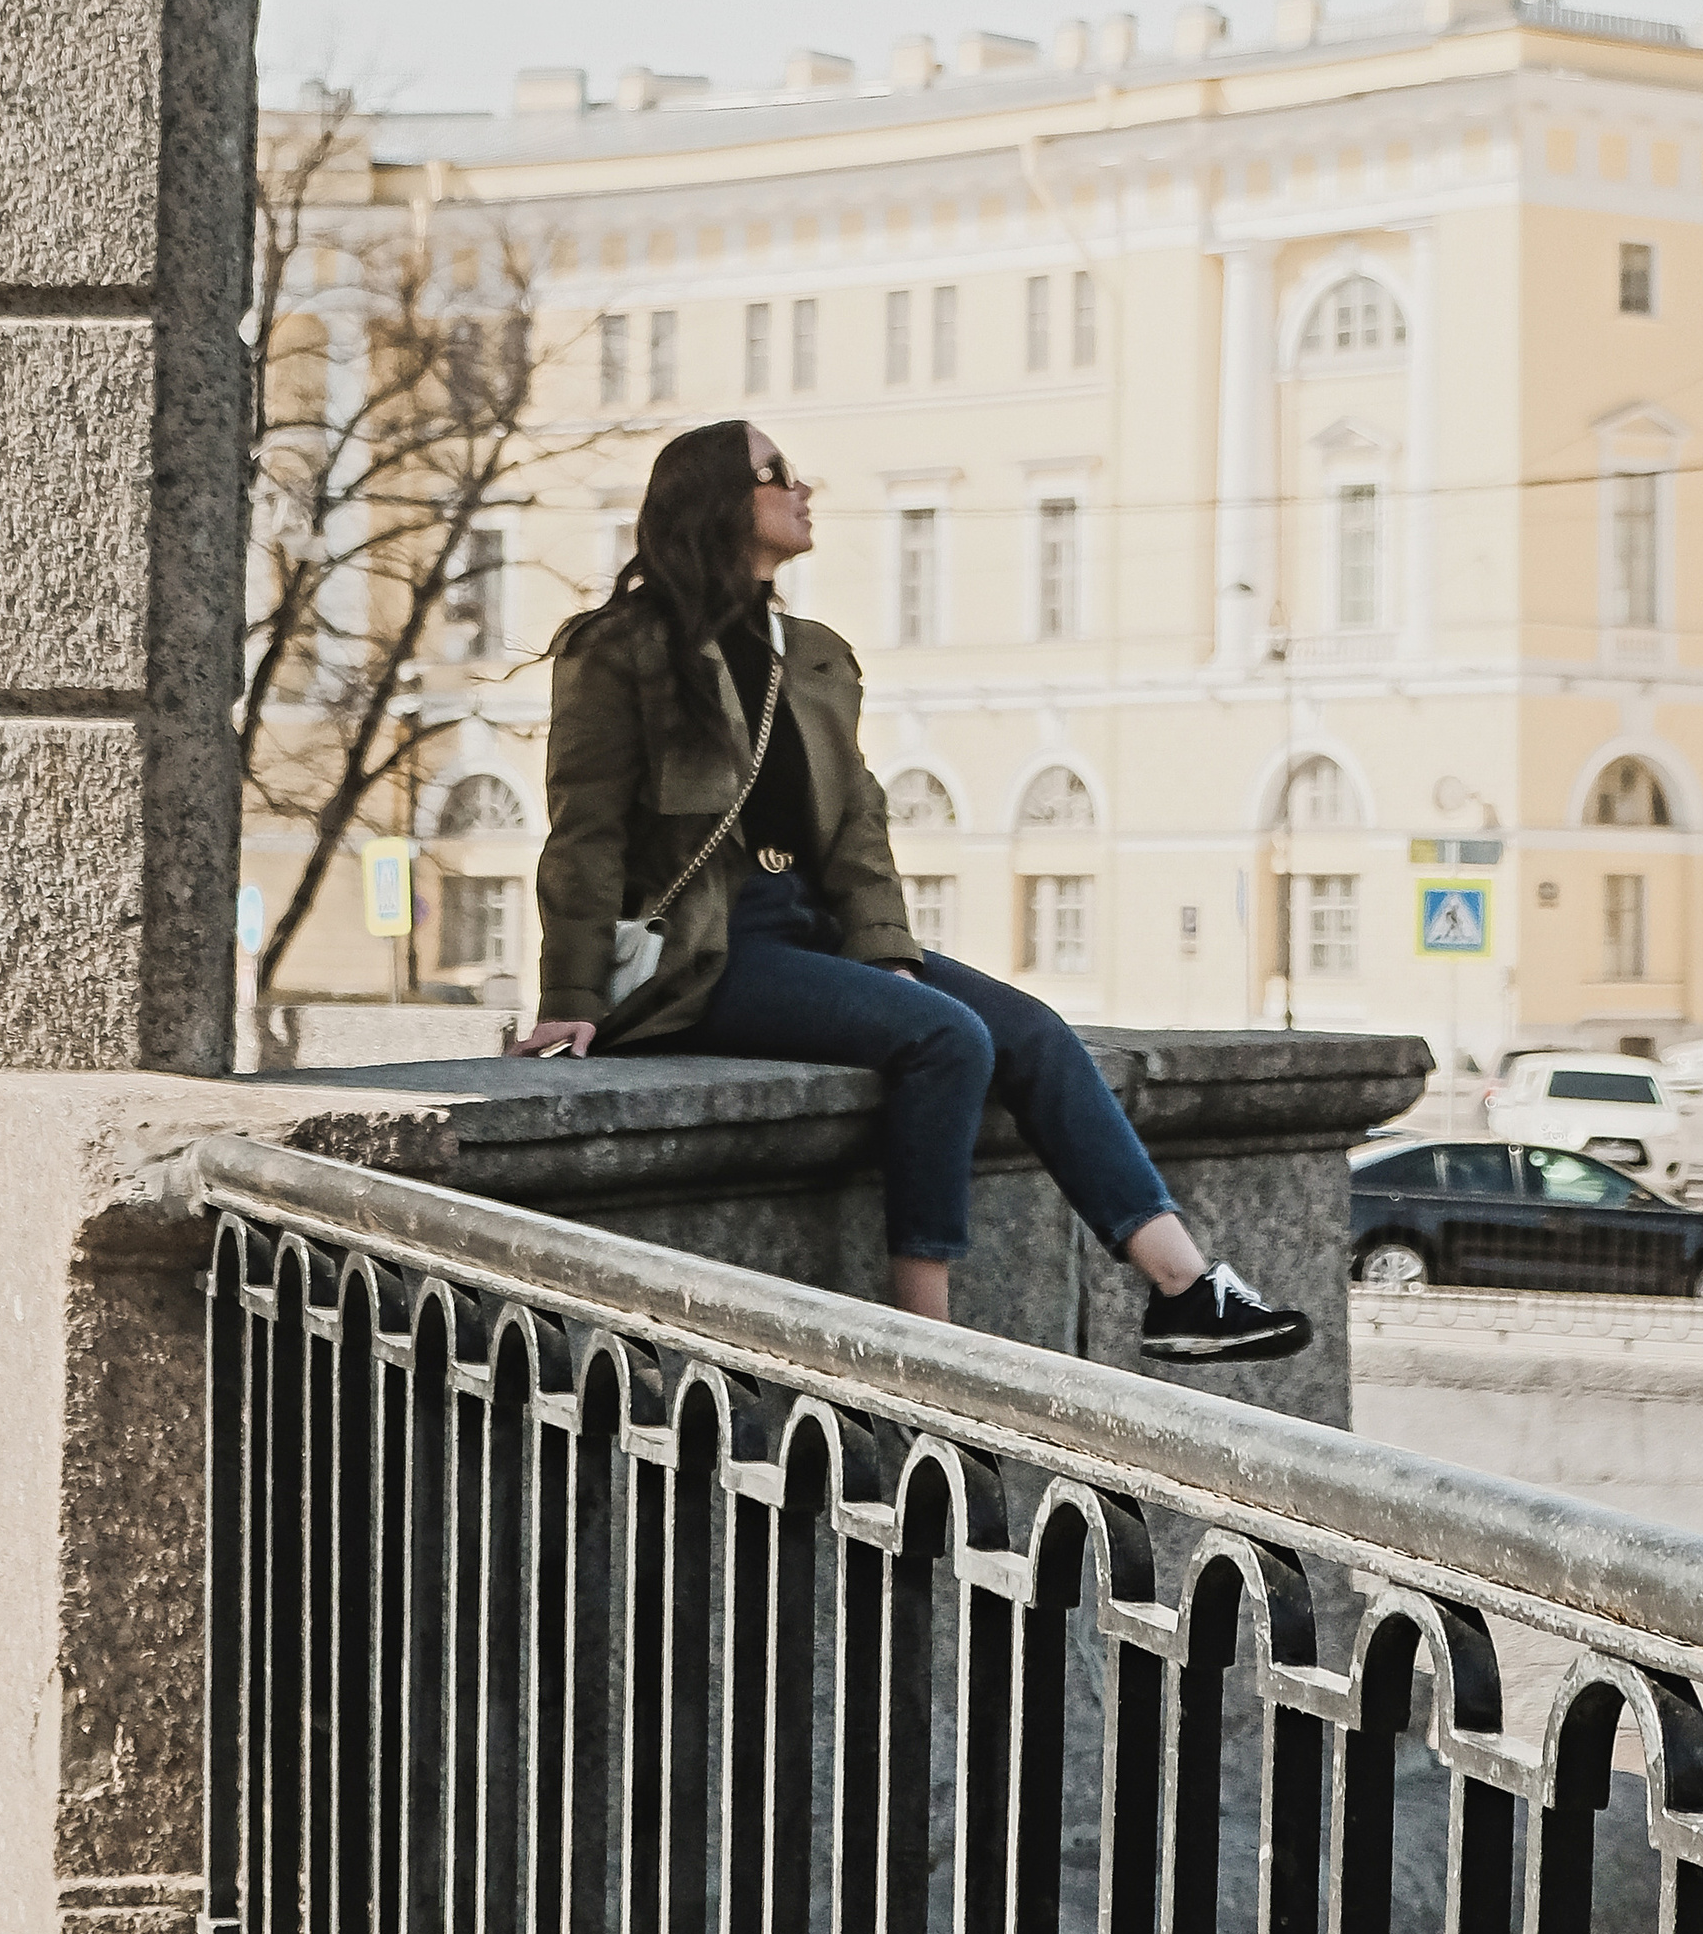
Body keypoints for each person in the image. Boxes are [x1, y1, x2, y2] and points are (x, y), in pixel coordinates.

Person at [516, 418, 1312, 1361]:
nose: (803, 490)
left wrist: (884, 949)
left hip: (807, 929)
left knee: (1033, 1030)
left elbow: (856, 823)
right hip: (700, 952)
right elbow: (586, 829)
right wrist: (570, 995)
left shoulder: (809, 652)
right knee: (945, 1036)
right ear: (720, 502)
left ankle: (1184, 1286)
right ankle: (922, 1334)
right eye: (778, 475)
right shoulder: (619, 649)